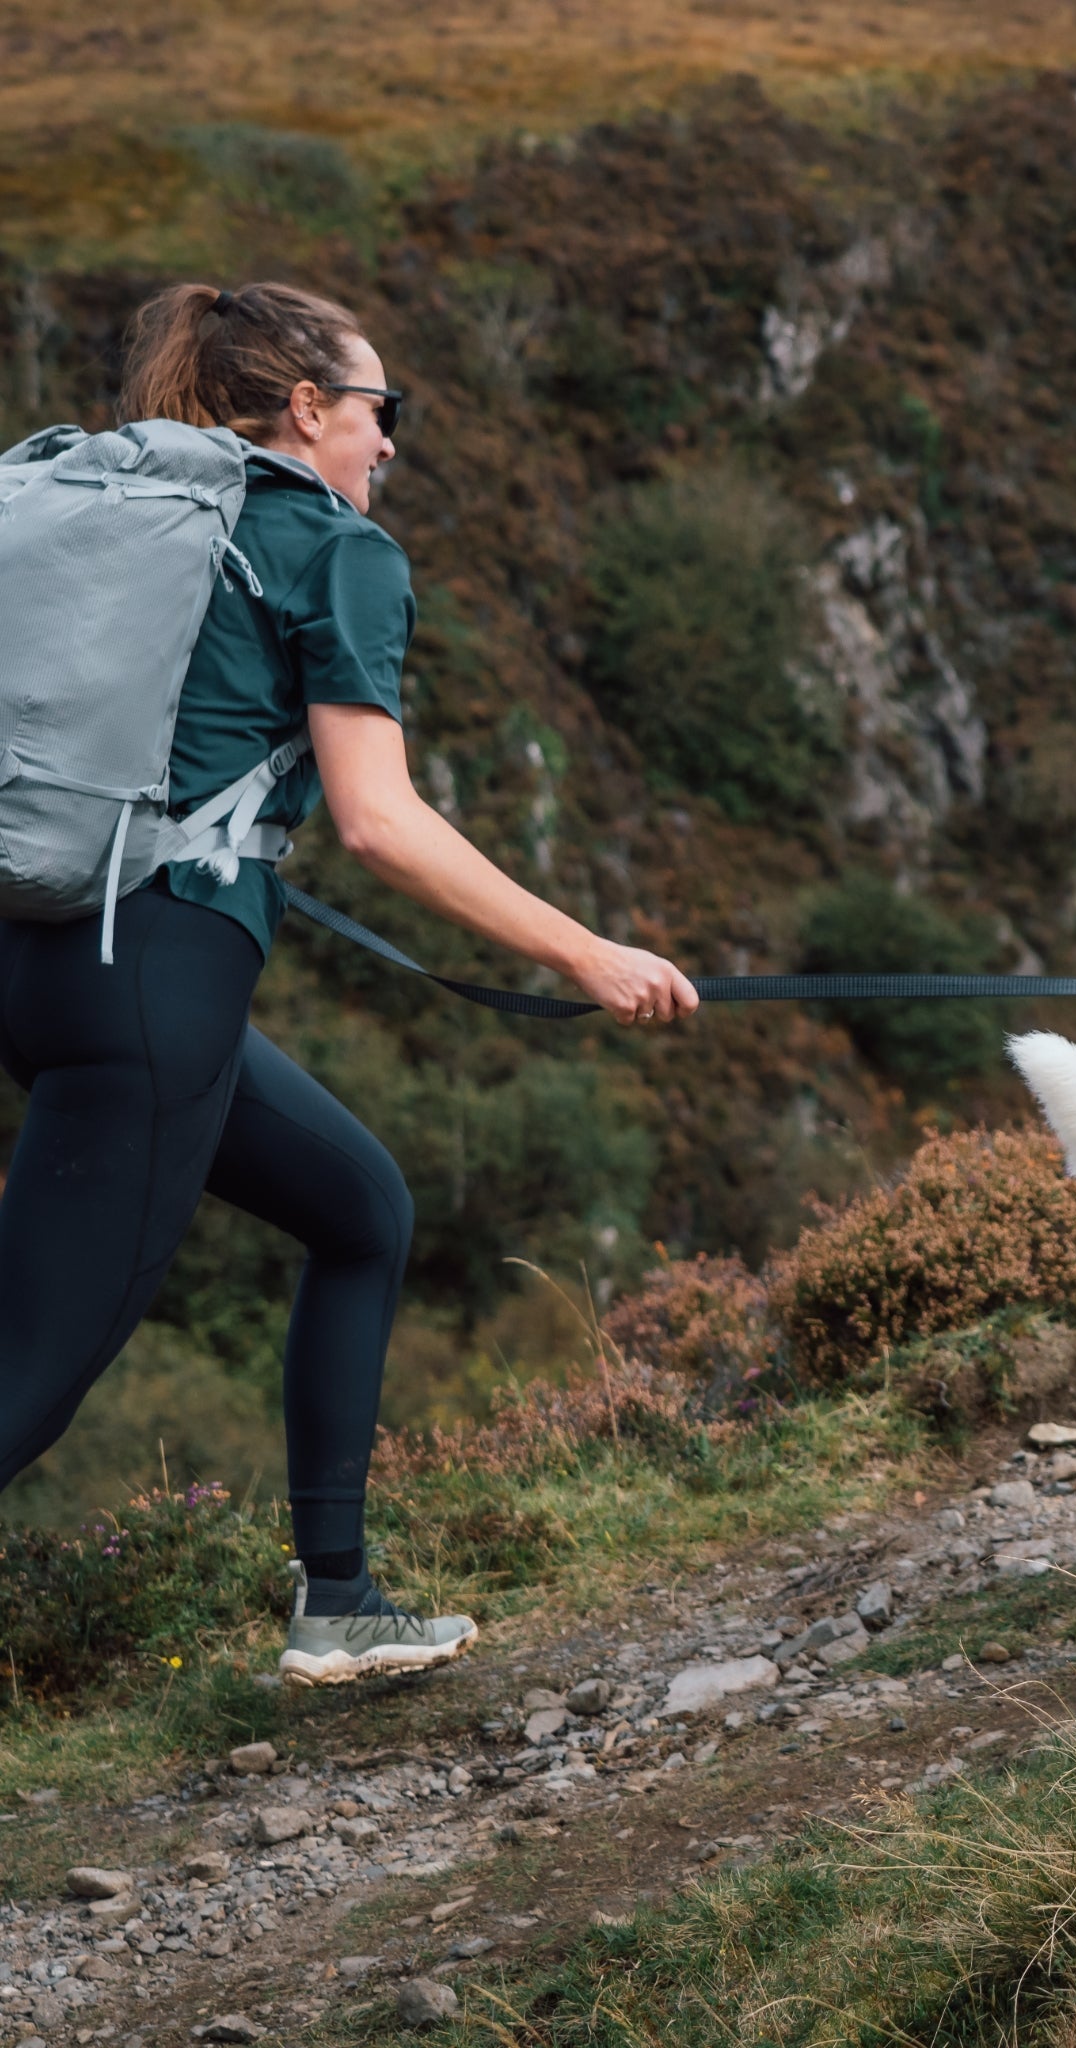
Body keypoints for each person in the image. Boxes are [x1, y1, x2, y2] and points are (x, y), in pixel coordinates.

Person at [0, 281, 697, 1685]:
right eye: (382, 411)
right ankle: (334, 1605)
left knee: (362, 1208)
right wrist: (587, 951)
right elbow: (378, 820)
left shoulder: (134, 520)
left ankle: (340, 1599)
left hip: (44, 958)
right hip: (152, 997)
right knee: (21, 1383)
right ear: (308, 408)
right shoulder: (332, 551)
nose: (391, 445)